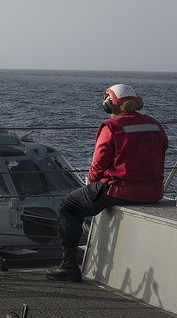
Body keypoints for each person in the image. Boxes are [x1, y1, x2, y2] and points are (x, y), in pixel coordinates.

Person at [47, 84, 168, 282]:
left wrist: (91, 186)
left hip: (120, 191)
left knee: (68, 206)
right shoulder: (155, 124)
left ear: (108, 105)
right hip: (154, 191)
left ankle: (69, 266)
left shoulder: (111, 127)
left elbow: (98, 165)